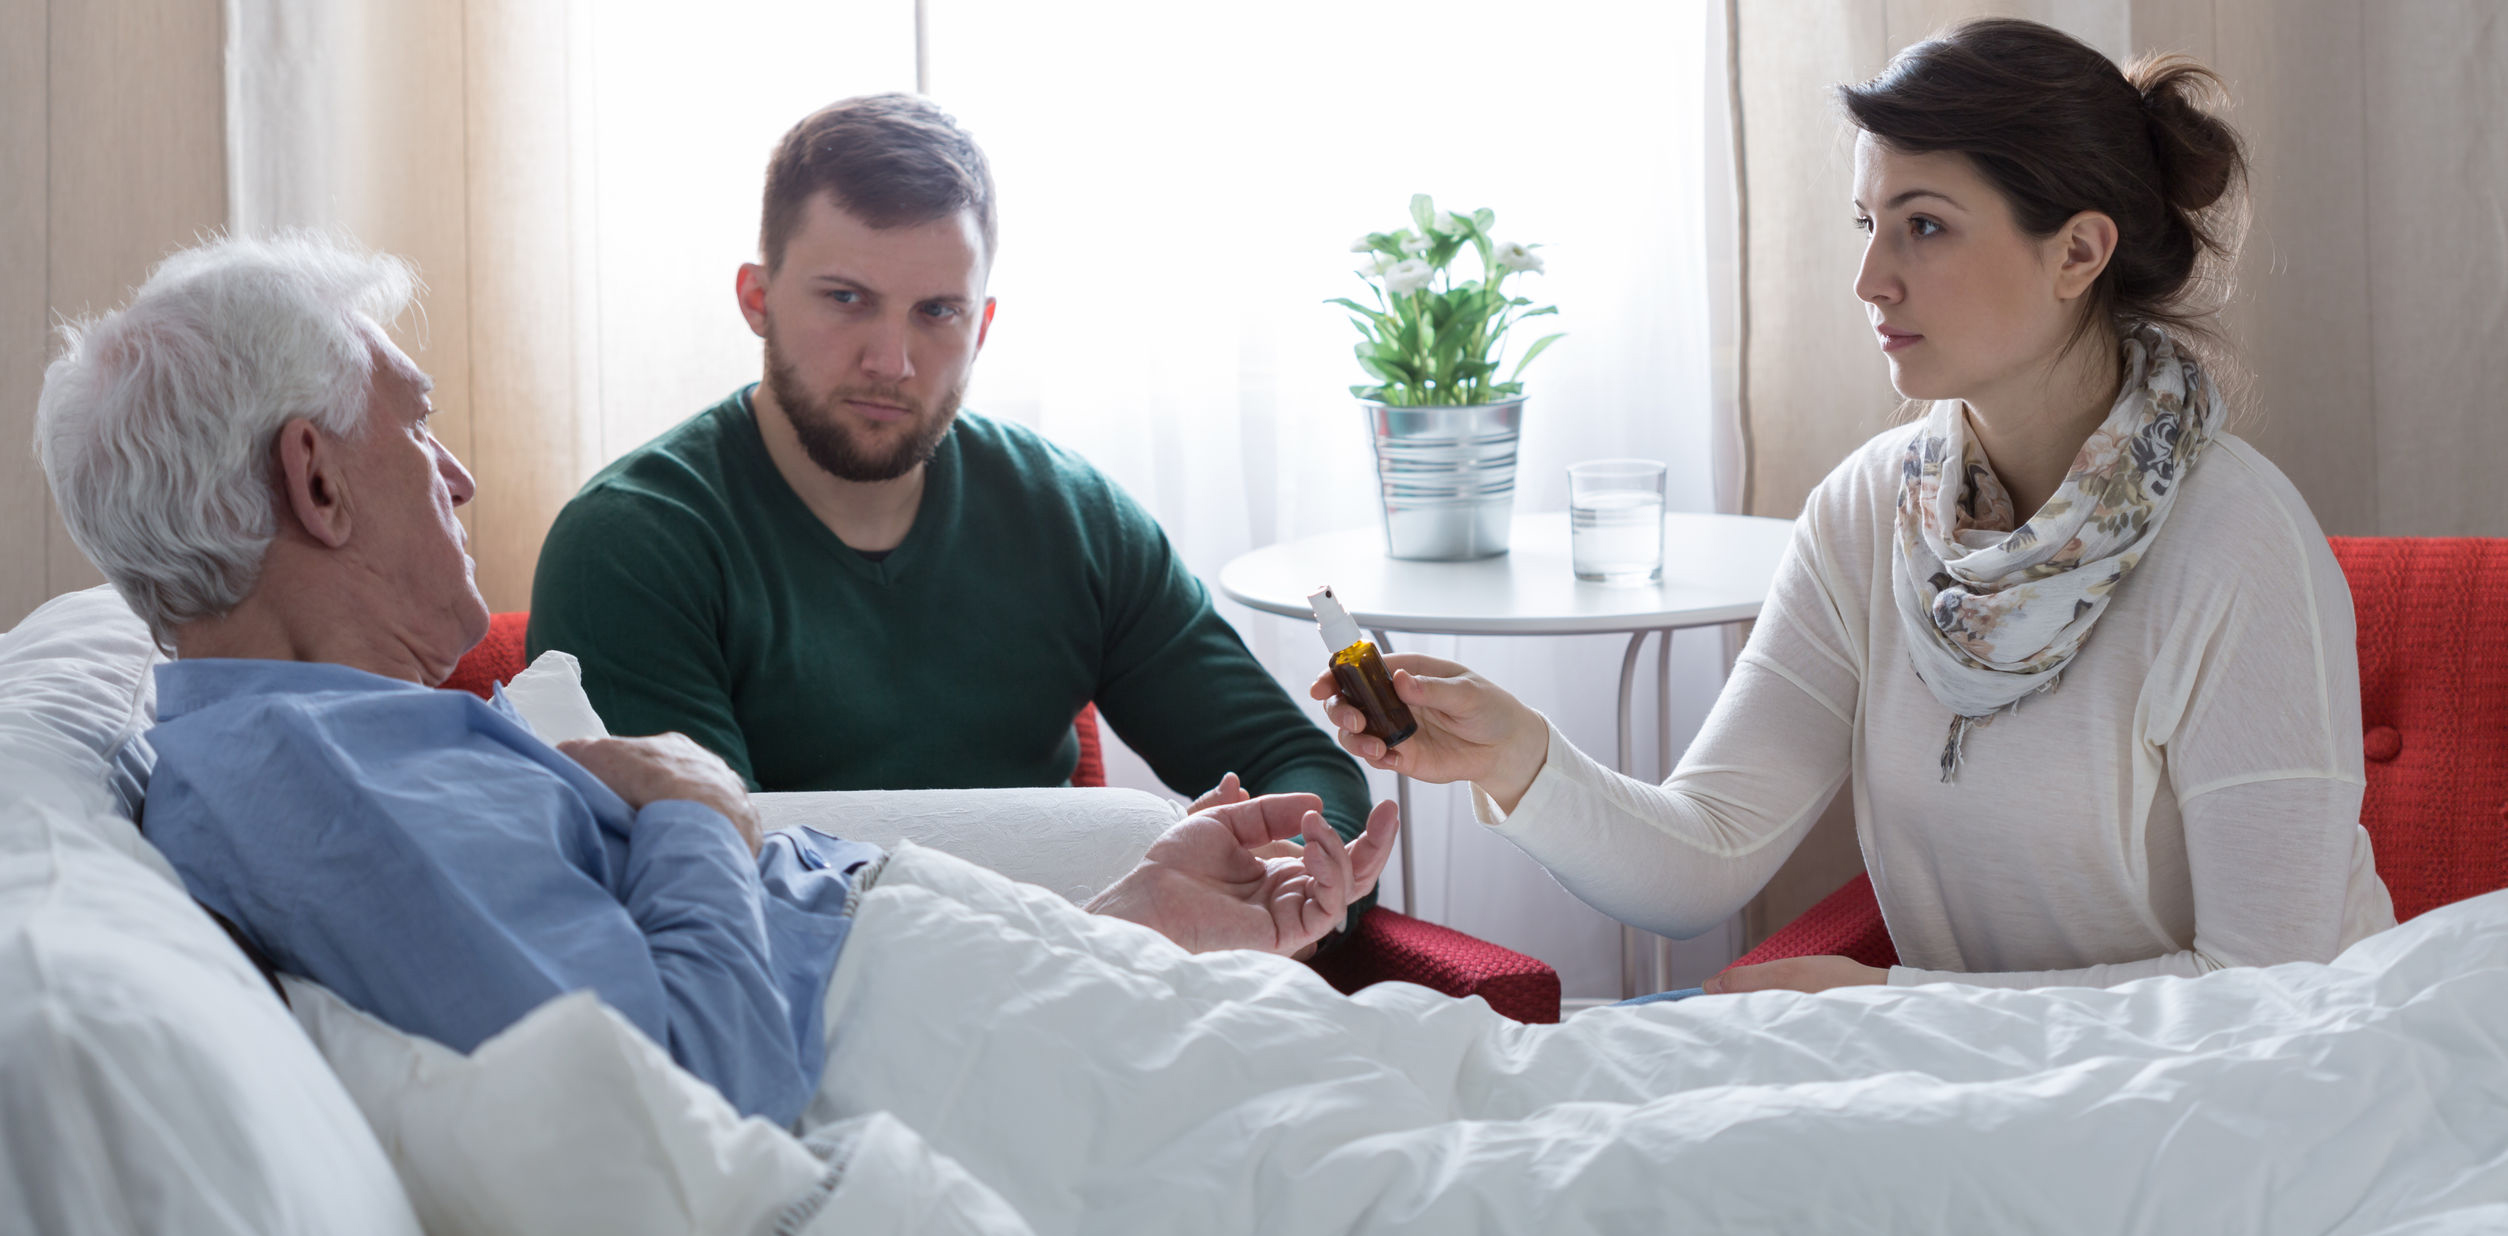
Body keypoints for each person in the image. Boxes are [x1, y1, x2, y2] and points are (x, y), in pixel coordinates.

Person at [35, 234, 1398, 1129]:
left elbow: (790, 960)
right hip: (987, 1059)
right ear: (316, 480)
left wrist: (1125, 921)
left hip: (1004, 985)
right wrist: (689, 797)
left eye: (937, 311)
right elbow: (711, 1080)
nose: (455, 474)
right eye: (420, 424)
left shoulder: (357, 734)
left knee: (1487, 1084)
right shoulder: (319, 783)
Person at [1315, 19, 2395, 995]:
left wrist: (1897, 1008)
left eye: (1923, 226)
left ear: (2078, 251)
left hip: (2244, 1111)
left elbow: (2274, 988)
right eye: (1868, 222)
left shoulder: (2239, 547)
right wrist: (1517, 756)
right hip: (1982, 1096)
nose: (1871, 277)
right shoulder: (1869, 514)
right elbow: (1709, 849)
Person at [524, 93, 1373, 890]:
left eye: (937, 312)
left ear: (983, 326)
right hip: (806, 1019)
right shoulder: (631, 545)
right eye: (847, 298)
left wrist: (1284, 885)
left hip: (1090, 989)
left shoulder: (1074, 519)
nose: (891, 361)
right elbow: (706, 887)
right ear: (757, 299)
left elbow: (1302, 770)